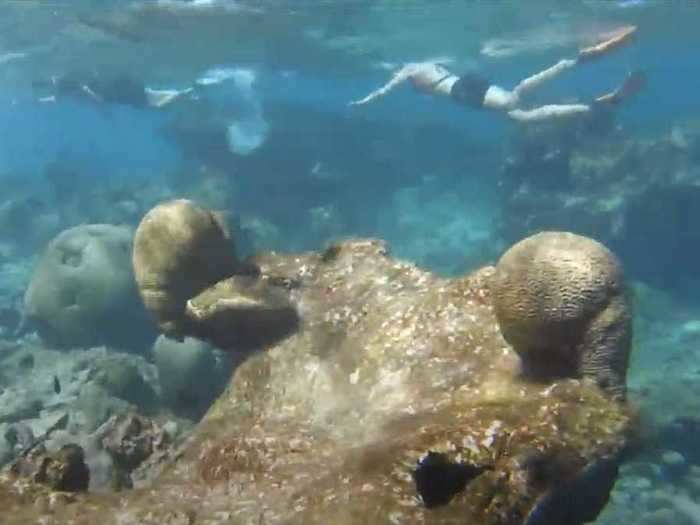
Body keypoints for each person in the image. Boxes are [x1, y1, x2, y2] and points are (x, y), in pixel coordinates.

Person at [350, 25, 645, 123]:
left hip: (461, 91)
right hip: (462, 87)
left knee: (514, 106)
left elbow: (385, 90)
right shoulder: (425, 63)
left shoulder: (408, 70)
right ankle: (590, 95)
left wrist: (366, 101)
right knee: (518, 114)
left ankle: (577, 70)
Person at [32, 71, 194, 109]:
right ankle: (181, 93)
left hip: (112, 93)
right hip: (113, 92)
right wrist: (38, 101)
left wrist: (97, 100)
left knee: (148, 101)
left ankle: (181, 94)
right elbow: (56, 98)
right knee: (147, 97)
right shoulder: (62, 86)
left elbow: (84, 88)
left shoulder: (65, 82)